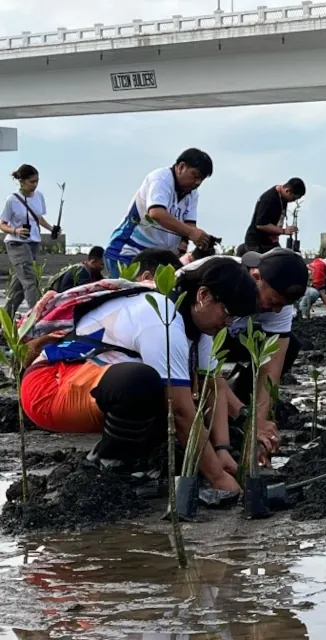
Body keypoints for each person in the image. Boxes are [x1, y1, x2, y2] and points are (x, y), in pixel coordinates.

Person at [20, 257, 259, 492]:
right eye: (227, 313)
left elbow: (212, 386)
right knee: (145, 383)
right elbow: (180, 412)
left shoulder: (201, 326)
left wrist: (222, 449)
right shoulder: (162, 317)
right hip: (48, 387)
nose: (228, 323)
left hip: (93, 385)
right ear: (203, 295)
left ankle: (129, 459)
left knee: (173, 391)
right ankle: (110, 462)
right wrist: (218, 479)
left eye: (235, 318)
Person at [181, 248, 309, 466]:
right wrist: (246, 417)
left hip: (232, 336)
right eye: (273, 301)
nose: (276, 311)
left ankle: (237, 412)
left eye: (283, 306)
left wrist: (259, 425)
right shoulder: (219, 278)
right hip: (191, 333)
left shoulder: (279, 307)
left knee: (290, 345)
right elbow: (209, 373)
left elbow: (271, 371)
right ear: (256, 277)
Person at [104, 148, 215, 278]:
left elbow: (189, 225)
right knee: (131, 295)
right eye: (195, 176)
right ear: (181, 167)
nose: (197, 183)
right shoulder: (161, 179)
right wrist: (191, 233)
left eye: (201, 179)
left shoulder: (192, 194)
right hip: (127, 252)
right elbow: (156, 213)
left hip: (155, 259)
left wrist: (200, 238)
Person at [2, 164, 61, 318]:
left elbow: (38, 217)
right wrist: (16, 230)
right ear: (21, 181)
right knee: (30, 280)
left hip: (33, 242)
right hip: (17, 243)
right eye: (31, 182)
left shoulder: (39, 196)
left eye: (37, 181)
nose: (35, 185)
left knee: (19, 286)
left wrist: (51, 228)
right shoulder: (12, 200)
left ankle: (5, 321)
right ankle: (37, 317)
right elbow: (2, 224)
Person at [242, 178, 306, 254]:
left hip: (270, 241)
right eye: (294, 198)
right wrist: (283, 231)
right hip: (256, 242)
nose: (294, 201)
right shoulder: (269, 199)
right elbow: (260, 224)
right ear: (287, 191)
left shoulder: (282, 198)